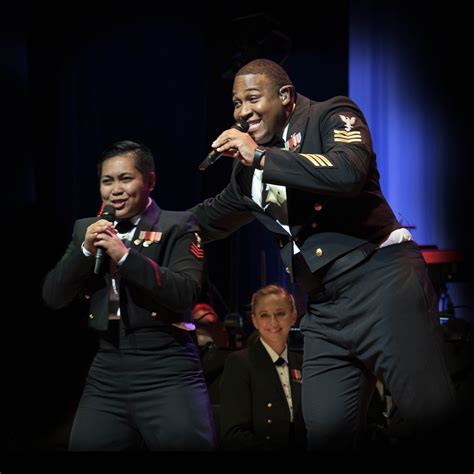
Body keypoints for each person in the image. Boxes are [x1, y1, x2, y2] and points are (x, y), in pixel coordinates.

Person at [191, 58, 457, 452]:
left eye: (251, 99)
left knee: (428, 413)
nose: (242, 112)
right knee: (325, 428)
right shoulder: (246, 173)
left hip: (381, 282)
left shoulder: (331, 114)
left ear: (285, 96)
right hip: (325, 309)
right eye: (235, 103)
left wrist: (262, 157)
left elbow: (347, 172)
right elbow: (209, 217)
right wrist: (143, 223)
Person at [42, 140, 215, 451]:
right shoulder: (87, 229)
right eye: (107, 181)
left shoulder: (178, 225)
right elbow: (53, 296)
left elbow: (185, 293)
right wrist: (85, 250)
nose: (115, 190)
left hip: (167, 365)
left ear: (149, 181)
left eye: (126, 179)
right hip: (108, 366)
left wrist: (125, 257)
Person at [219, 284, 306, 451]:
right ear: (254, 320)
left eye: (280, 313)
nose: (273, 322)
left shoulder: (304, 363)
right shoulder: (240, 363)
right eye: (264, 315)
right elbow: (233, 434)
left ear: (293, 316)